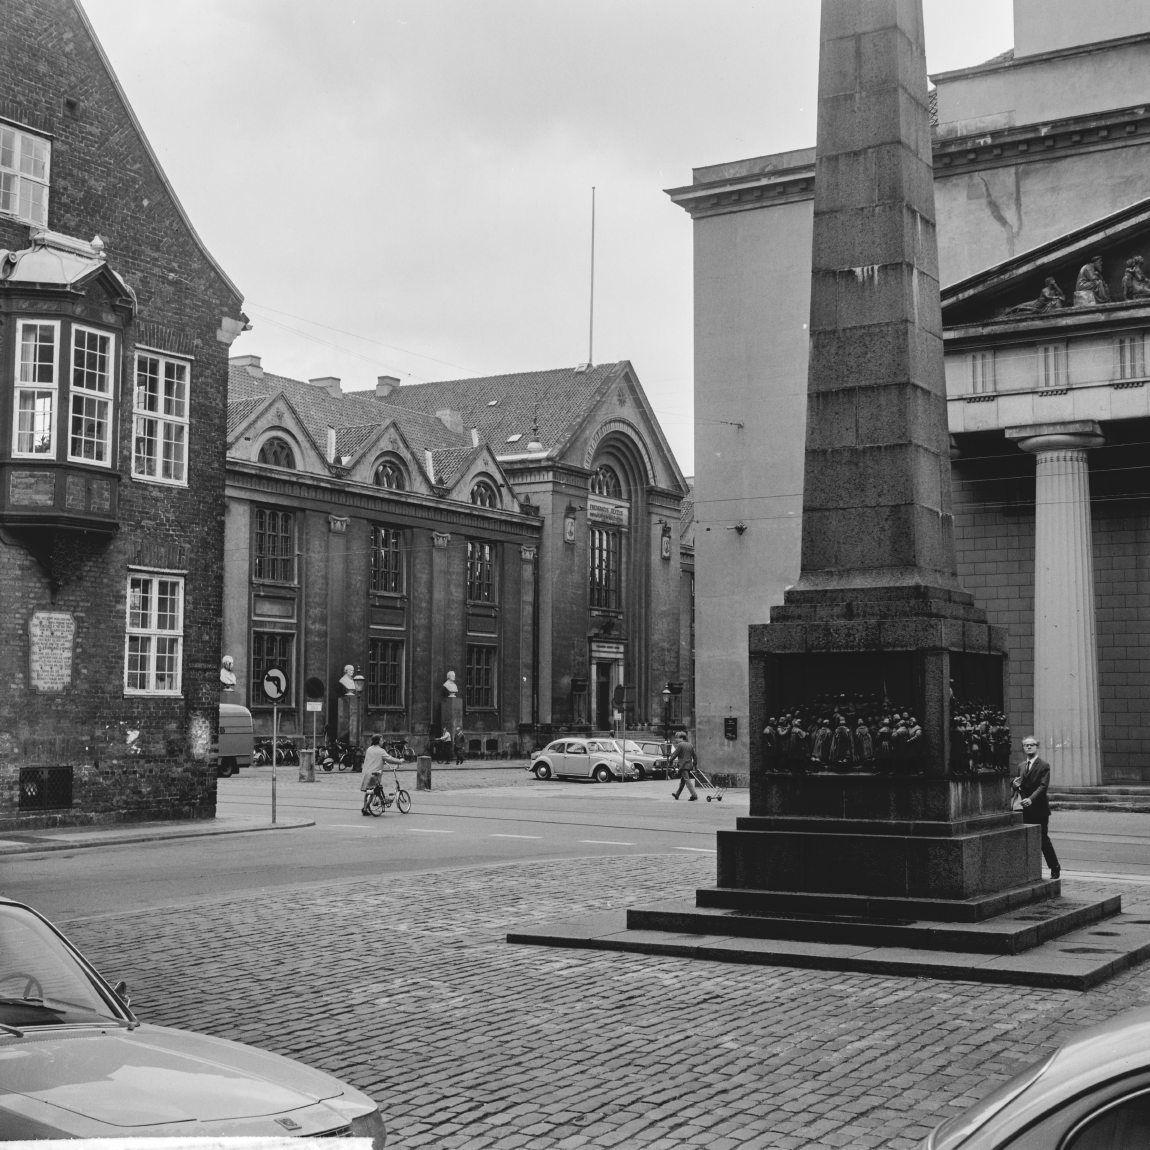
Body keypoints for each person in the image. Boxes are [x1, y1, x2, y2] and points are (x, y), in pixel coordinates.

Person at [1012, 735, 1061, 880]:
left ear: (1036, 747)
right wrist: (1014, 784)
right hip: (1025, 808)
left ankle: (1054, 867)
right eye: (1026, 745)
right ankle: (1028, 870)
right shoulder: (1021, 766)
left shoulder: (1044, 765)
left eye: (1031, 745)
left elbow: (1043, 786)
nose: (1028, 747)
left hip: (1039, 808)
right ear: (1023, 748)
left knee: (1043, 840)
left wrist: (1031, 799)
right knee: (1026, 838)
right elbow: (1018, 783)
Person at [360, 735, 404, 815]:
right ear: (378, 741)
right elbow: (390, 759)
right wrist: (400, 761)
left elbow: (372, 759)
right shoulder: (381, 751)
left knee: (368, 791)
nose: (383, 741)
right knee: (374, 791)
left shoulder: (369, 749)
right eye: (381, 740)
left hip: (366, 773)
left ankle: (365, 807)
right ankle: (366, 808)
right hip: (375, 774)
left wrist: (381, 761)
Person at [669, 730, 698, 801]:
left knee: (687, 781)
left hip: (683, 766)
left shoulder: (680, 745)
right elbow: (695, 756)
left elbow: (675, 754)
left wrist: (670, 761)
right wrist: (694, 764)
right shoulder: (690, 745)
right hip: (689, 766)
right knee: (683, 781)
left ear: (682, 738)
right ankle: (677, 794)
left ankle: (694, 795)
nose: (676, 740)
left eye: (677, 738)